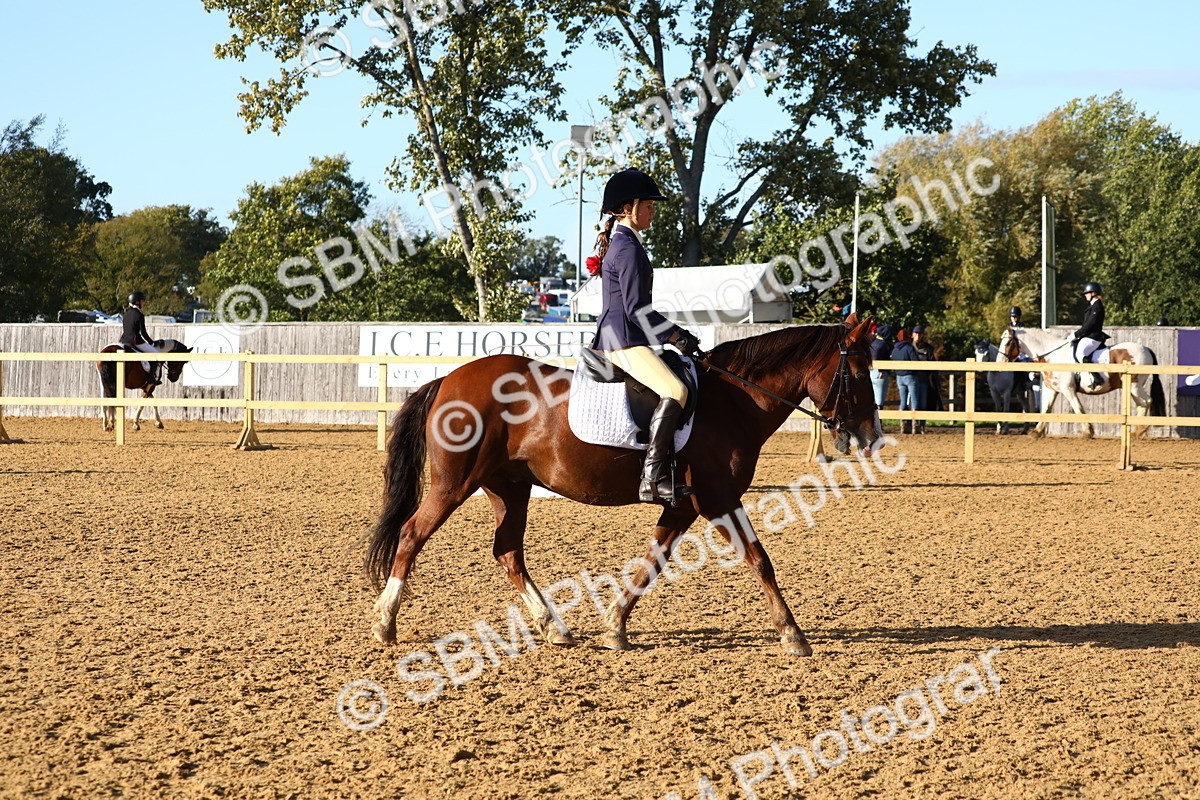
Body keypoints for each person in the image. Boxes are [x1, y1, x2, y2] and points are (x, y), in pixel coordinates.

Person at [591, 168, 702, 503]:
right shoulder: (626, 248)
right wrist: (675, 335)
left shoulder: (626, 243)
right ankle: (652, 478)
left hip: (623, 334)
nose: (653, 210)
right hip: (621, 338)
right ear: (629, 207)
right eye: (649, 205)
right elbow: (637, 309)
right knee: (675, 389)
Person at [119, 291, 161, 386]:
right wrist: (151, 342)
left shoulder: (125, 314)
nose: (143, 303)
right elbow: (143, 333)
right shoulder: (139, 315)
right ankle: (151, 379)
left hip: (123, 341)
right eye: (142, 301)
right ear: (137, 302)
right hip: (135, 341)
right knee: (156, 355)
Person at [1073, 281, 1109, 391]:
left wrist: (1076, 334)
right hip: (1089, 336)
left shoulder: (1097, 306)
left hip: (1094, 337)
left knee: (1080, 353)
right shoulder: (1092, 306)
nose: (1085, 295)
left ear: (1093, 293)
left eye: (1087, 293)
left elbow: (1090, 324)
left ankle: (1097, 378)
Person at [911, 324, 939, 433]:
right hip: (912, 378)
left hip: (923, 380)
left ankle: (922, 426)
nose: (918, 336)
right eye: (916, 333)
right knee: (912, 404)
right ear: (913, 335)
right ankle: (912, 426)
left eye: (920, 334)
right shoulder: (909, 347)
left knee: (923, 403)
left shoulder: (928, 349)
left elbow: (932, 363)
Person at [890, 329, 920, 434]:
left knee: (903, 400)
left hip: (899, 376)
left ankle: (903, 424)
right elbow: (916, 362)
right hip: (910, 376)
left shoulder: (895, 349)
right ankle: (915, 425)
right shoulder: (909, 348)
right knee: (914, 399)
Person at [869, 324, 894, 410]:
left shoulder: (873, 343)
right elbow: (877, 356)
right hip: (880, 373)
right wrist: (881, 369)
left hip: (872, 372)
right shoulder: (883, 344)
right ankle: (879, 421)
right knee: (879, 402)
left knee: (873, 399)